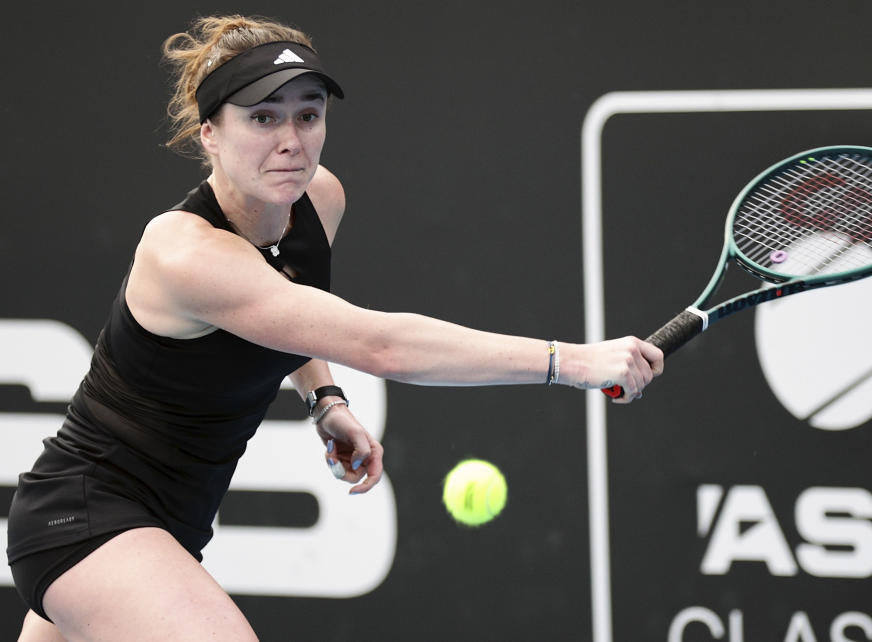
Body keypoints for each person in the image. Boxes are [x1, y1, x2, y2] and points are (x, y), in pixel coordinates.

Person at [5, 14, 663, 642]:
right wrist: (569, 360)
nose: (291, 140)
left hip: (164, 529)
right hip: (86, 519)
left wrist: (324, 399)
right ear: (209, 132)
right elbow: (377, 343)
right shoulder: (185, 253)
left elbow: (289, 316)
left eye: (308, 115)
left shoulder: (317, 198)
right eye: (263, 118)